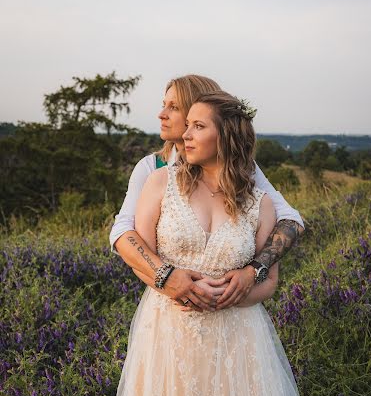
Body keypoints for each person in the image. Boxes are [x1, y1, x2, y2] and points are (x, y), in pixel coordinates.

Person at [93, 91, 371, 396]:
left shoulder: (257, 200)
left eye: (197, 126)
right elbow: (137, 253)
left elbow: (271, 281)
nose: (184, 134)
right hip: (170, 329)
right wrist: (173, 282)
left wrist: (239, 289)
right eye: (185, 126)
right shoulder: (158, 183)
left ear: (225, 135)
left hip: (238, 335)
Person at [110, 74, 305, 311]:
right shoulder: (152, 169)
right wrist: (167, 278)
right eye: (164, 105)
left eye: (174, 107)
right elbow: (123, 231)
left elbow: (289, 220)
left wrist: (252, 272)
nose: (162, 114)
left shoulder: (246, 172)